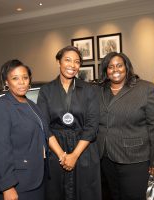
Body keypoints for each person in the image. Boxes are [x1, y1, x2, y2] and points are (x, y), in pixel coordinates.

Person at [97, 52, 154, 200]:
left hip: (135, 158)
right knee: (113, 195)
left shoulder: (146, 89)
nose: (115, 70)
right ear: (105, 71)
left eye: (119, 65)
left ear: (127, 67)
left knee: (133, 196)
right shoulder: (99, 90)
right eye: (110, 67)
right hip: (105, 156)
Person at [37, 46, 102, 200]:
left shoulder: (89, 90)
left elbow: (92, 126)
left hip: (83, 150)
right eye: (67, 60)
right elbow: (44, 126)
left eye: (77, 62)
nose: (72, 65)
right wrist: (62, 155)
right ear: (59, 62)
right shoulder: (46, 90)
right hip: (55, 149)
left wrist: (74, 155)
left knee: (85, 193)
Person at [0, 59, 48, 200]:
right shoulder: (0, 107)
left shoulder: (30, 104)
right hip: (16, 184)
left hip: (33, 178)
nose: (22, 82)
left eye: (25, 77)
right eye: (15, 78)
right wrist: (7, 187)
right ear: (6, 82)